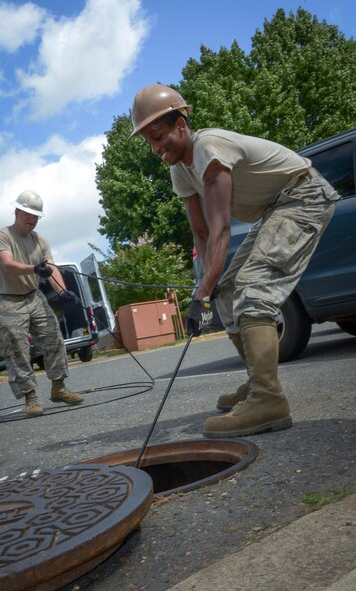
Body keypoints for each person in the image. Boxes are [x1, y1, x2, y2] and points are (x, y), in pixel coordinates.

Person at [130, 83, 340, 438]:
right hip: (275, 209)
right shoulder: (179, 170)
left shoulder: (208, 147)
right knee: (227, 291)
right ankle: (258, 385)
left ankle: (268, 400)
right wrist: (204, 292)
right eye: (149, 141)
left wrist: (200, 297)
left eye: (159, 135)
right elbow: (201, 235)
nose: (155, 147)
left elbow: (221, 228)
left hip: (304, 196)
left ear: (181, 124)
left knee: (254, 288)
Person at [0, 190, 84, 417]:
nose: (32, 219)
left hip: (33, 296)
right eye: (28, 214)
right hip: (7, 299)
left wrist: (64, 292)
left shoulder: (40, 241)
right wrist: (34, 268)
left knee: (54, 338)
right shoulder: (1, 235)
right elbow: (7, 265)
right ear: (17, 212)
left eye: (36, 216)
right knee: (16, 349)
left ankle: (59, 388)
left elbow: (50, 269)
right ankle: (30, 397)